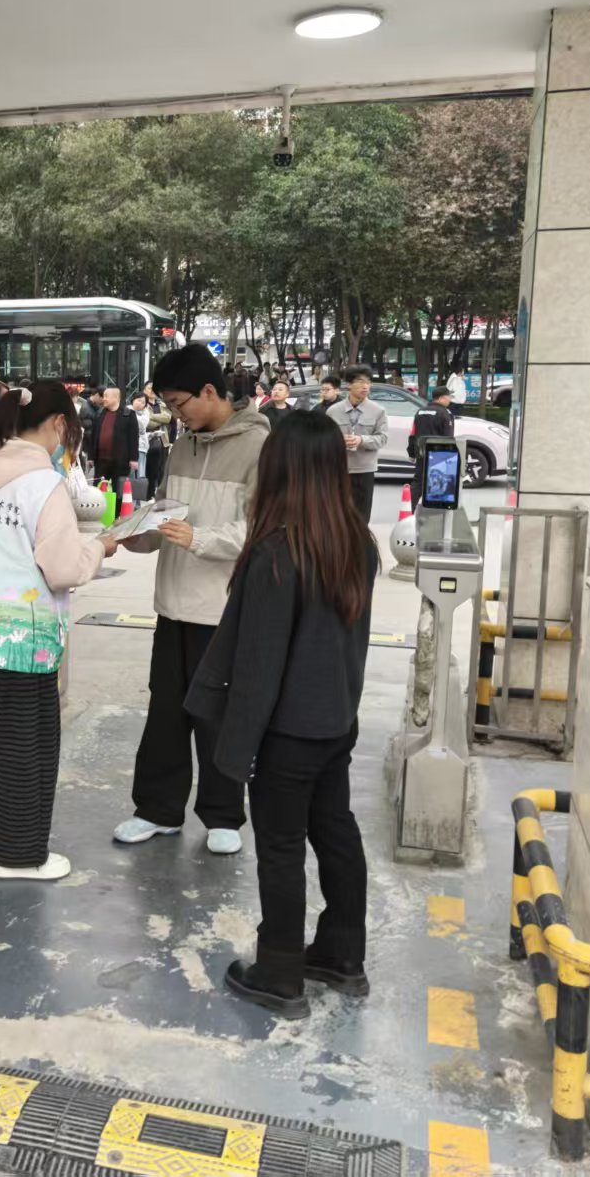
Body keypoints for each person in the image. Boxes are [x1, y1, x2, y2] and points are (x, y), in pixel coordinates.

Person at [185, 412, 377, 1019]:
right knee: (336, 832)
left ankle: (279, 972)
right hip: (335, 721)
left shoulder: (277, 552)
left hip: (287, 733)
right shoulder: (357, 541)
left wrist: (236, 750)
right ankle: (343, 956)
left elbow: (258, 667)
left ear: (281, 471)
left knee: (282, 847)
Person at [0, 383, 118, 880]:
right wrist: (101, 547)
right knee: (27, 740)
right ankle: (19, 854)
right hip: (24, 636)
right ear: (58, 424)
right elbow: (63, 568)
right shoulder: (43, 485)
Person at [116, 344, 269, 855]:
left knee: (217, 716)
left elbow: (260, 528)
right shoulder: (183, 447)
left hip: (221, 609)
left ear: (209, 391)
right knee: (165, 711)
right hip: (172, 603)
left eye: (179, 404)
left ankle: (224, 815)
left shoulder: (259, 447)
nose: (175, 414)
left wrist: (199, 539)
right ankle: (157, 810)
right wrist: (139, 534)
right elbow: (167, 513)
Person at [324, 367, 387, 524]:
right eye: (360, 382)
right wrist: (337, 441)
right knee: (337, 515)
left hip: (364, 470)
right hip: (339, 469)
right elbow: (324, 439)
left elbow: (383, 438)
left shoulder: (378, 411)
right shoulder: (333, 411)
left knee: (361, 517)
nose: (365, 386)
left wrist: (361, 440)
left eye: (368, 382)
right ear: (349, 385)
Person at [91, 385, 141, 498]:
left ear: (116, 398)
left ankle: (117, 509)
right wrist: (91, 456)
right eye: (104, 396)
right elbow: (94, 436)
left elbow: (133, 439)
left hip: (120, 462)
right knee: (98, 490)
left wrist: (134, 459)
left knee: (118, 491)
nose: (104, 399)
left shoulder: (128, 415)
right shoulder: (99, 414)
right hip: (101, 461)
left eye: (106, 396)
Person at [408, 385, 456, 499]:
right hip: (438, 456)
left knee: (418, 482)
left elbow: (413, 434)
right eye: (448, 397)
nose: (450, 399)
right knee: (438, 484)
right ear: (441, 398)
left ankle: (410, 507)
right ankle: (433, 509)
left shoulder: (420, 411)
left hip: (421, 453)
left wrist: (411, 453)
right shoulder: (445, 413)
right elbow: (448, 438)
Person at [143, 383, 174, 491]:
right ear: (144, 390)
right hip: (148, 441)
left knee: (162, 469)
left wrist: (151, 416)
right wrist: (160, 419)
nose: (152, 391)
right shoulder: (142, 404)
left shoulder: (162, 404)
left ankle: (160, 492)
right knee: (150, 469)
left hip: (163, 440)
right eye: (149, 388)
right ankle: (149, 492)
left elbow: (168, 418)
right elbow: (147, 423)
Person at [131, 393, 151, 480]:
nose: (140, 403)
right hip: (128, 447)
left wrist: (132, 416)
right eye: (138, 400)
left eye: (143, 402)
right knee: (130, 473)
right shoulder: (126, 409)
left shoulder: (146, 413)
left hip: (141, 446)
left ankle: (139, 488)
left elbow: (142, 428)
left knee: (140, 473)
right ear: (133, 400)